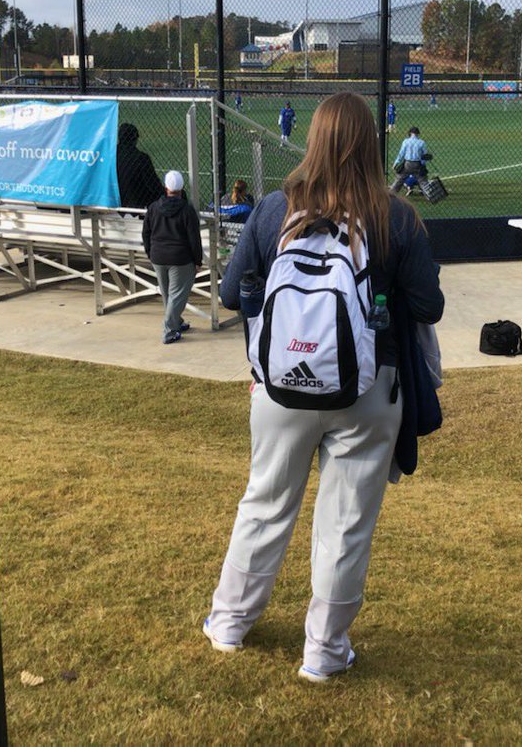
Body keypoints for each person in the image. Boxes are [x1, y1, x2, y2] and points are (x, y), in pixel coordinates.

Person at [205, 91, 444, 682]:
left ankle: (230, 621)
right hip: (370, 389)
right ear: (371, 144)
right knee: (345, 522)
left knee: (264, 503)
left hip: (280, 386)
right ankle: (324, 650)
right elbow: (429, 305)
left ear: (312, 140)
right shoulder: (397, 216)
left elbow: (232, 293)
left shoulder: (270, 209)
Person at [141, 170, 203, 344]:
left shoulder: (153, 208)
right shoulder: (187, 210)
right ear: (182, 188)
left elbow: (146, 232)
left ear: (166, 187)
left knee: (168, 294)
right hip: (180, 258)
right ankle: (169, 331)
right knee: (176, 296)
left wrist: (150, 252)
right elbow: (194, 238)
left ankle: (176, 322)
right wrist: (197, 261)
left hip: (158, 256)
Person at [116, 122, 164, 211]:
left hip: (112, 202)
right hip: (136, 206)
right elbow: (154, 185)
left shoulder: (110, 155)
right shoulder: (141, 158)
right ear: (135, 139)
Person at [389, 127, 428, 194]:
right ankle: (429, 194)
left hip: (407, 163)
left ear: (410, 133)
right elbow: (425, 156)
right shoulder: (422, 142)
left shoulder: (406, 141)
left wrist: (396, 163)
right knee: (422, 180)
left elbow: (401, 154)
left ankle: (392, 193)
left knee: (399, 179)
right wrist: (423, 164)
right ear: (417, 134)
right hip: (417, 164)